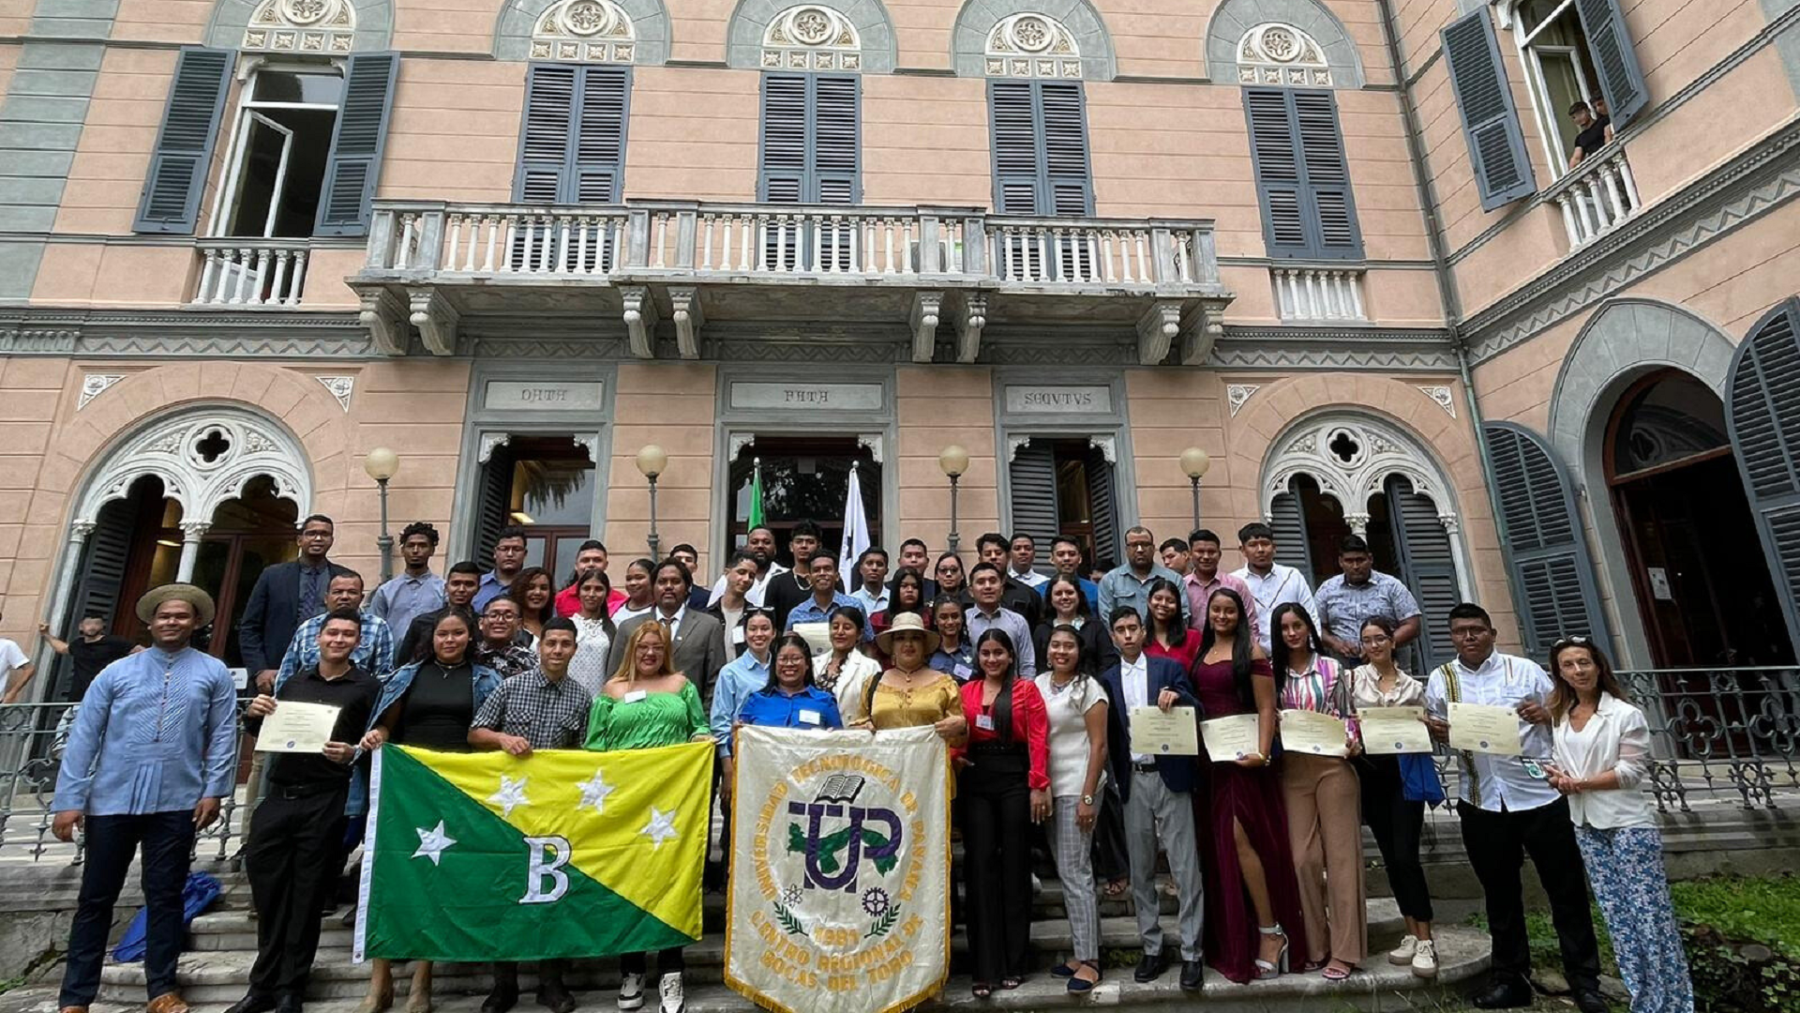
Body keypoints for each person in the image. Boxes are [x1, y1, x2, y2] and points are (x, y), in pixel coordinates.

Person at [51, 584, 238, 1013]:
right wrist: (69, 798)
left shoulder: (213, 672)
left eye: (181, 616)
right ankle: (76, 997)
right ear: (150, 622)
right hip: (111, 801)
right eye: (164, 616)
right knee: (95, 898)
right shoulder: (116, 673)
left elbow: (223, 735)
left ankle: (161, 989)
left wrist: (214, 789)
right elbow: (84, 736)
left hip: (177, 802)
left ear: (195, 623)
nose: (172, 622)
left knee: (166, 896)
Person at [1424, 604, 1604, 1013]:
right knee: (1500, 896)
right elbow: (1439, 728)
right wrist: (1439, 732)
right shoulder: (1441, 679)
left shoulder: (1524, 671)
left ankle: (1584, 980)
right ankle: (1511, 979)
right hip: (1481, 799)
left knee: (1567, 892)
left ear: (1492, 633)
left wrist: (1547, 714)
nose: (1468, 637)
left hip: (1539, 796)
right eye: (1460, 631)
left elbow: (1569, 714)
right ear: (1451, 637)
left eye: (1476, 629)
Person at [231, 608, 382, 1013]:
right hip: (279, 796)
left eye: (347, 634)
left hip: (326, 798)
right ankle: (261, 986)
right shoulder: (295, 681)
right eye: (333, 632)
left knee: (308, 897)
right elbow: (268, 732)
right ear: (318, 638)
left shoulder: (367, 687)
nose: (338, 639)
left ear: (358, 642)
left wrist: (353, 752)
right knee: (269, 895)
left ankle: (291, 988)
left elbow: (374, 742)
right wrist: (253, 715)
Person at [360, 607, 502, 1013]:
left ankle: (422, 980)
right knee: (391, 874)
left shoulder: (486, 678)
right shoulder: (407, 675)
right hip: (406, 788)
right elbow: (387, 725)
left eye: (458, 633)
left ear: (470, 637)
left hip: (456, 789)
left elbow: (489, 731)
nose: (450, 640)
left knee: (436, 879)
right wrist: (376, 734)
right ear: (431, 637)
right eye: (443, 634)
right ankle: (379, 981)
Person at [1549, 636, 1693, 1013]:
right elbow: (1564, 763)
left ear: (1599, 667)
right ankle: (1641, 999)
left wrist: (1580, 783)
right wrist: (1558, 777)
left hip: (1627, 823)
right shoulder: (1562, 717)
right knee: (1618, 918)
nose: (1578, 671)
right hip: (1586, 822)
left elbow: (1630, 772)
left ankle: (1673, 1003)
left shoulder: (1625, 714)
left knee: (1650, 917)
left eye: (1584, 662)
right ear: (1559, 673)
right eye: (1568, 665)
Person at [467, 618, 595, 1013]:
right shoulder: (511, 686)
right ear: (540, 647)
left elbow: (584, 754)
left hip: (554, 809)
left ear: (574, 650)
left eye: (565, 644)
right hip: (508, 808)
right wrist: (502, 738)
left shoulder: (581, 697)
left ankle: (550, 983)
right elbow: (475, 732)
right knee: (507, 891)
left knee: (552, 894)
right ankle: (503, 985)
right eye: (551, 643)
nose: (557, 650)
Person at [585, 621, 712, 1013]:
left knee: (672, 882)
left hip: (672, 801)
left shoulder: (682, 686)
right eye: (643, 647)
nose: (650, 653)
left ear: (665, 651)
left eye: (657, 647)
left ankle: (672, 973)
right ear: (632, 650)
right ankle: (632, 969)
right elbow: (594, 747)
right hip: (626, 803)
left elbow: (699, 727)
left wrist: (700, 738)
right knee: (630, 883)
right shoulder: (611, 691)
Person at [1191, 587, 1306, 984]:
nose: (1222, 616)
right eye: (1216, 610)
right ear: (1208, 614)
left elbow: (1267, 707)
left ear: (1240, 615)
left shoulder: (1251, 652)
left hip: (1245, 762)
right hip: (1212, 764)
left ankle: (1271, 931)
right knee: (1221, 847)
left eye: (1229, 610)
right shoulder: (1202, 652)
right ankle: (1236, 934)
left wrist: (1262, 753)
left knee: (1241, 840)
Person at [1098, 607, 1205, 991]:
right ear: (1112, 636)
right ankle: (1152, 946)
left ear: (1143, 632)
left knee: (1185, 866)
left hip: (1169, 775)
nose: (1128, 635)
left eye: (1133, 628)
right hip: (1132, 779)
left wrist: (1179, 696)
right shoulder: (1107, 679)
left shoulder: (1167, 668)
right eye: (1120, 630)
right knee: (1141, 869)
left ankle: (1192, 951)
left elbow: (1198, 709)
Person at [1269, 603, 1364, 980]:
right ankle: (1316, 945)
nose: (1292, 633)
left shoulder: (1332, 668)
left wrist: (1353, 741)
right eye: (1284, 628)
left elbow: (1349, 715)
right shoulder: (1271, 673)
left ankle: (1345, 951)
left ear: (1309, 628)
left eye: (1298, 625)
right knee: (1302, 860)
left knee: (1342, 860)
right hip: (1293, 770)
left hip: (1333, 765)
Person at [957, 629, 1051, 998]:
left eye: (999, 653)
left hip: (1015, 779)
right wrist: (955, 758)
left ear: (1011, 656)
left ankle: (1014, 962)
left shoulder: (1026, 690)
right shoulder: (967, 691)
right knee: (980, 867)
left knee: (1014, 866)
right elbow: (958, 735)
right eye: (986, 653)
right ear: (977, 657)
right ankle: (985, 968)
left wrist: (1038, 783)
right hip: (976, 780)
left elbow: (1039, 738)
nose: (992, 659)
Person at [1347, 617, 1438, 978]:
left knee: (1406, 856)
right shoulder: (1352, 680)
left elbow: (1426, 726)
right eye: (1367, 640)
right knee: (1389, 857)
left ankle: (1427, 939)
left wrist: (1427, 725)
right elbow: (1346, 720)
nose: (1374, 645)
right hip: (1370, 774)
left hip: (1405, 774)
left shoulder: (1413, 686)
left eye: (1380, 638)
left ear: (1392, 641)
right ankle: (1410, 932)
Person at [1034, 625, 1108, 993]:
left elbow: (1099, 745)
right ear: (1047, 650)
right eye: (1055, 645)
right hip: (1049, 788)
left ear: (1080, 652)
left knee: (1076, 872)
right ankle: (1082, 951)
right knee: (1067, 871)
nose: (1061, 651)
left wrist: (1088, 796)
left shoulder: (1089, 688)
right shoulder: (1038, 684)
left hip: (1078, 787)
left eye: (1069, 646)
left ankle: (1091, 961)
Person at [240, 514, 354, 695]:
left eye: (324, 534)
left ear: (332, 540)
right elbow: (249, 627)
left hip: (329, 675)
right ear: (299, 540)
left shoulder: (344, 579)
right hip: (275, 672)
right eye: (312, 533)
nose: (318, 538)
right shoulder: (272, 576)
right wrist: (260, 670)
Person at [607, 559, 727, 705]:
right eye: (662, 582)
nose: (668, 586)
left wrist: (705, 717)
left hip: (689, 715)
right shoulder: (629, 627)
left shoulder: (708, 626)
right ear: (653, 587)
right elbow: (615, 677)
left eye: (675, 581)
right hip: (637, 713)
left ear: (687, 587)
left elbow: (715, 681)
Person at [1314, 535, 1421, 666]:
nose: (1355, 566)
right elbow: (1315, 626)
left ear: (1370, 559)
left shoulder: (1392, 586)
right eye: (1349, 561)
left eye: (1360, 560)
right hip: (1345, 668)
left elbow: (1412, 625)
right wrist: (1335, 643)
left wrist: (1381, 645)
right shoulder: (1327, 590)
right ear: (1340, 562)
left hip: (1391, 666)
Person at [274, 573, 396, 688]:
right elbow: (287, 672)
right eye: (338, 592)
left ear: (361, 598)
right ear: (326, 598)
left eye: (352, 592)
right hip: (308, 697)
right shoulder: (308, 627)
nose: (344, 597)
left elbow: (383, 676)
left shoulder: (377, 627)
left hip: (356, 697)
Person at [860, 612, 966, 742]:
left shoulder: (945, 684)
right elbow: (858, 727)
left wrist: (961, 728)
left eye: (915, 638)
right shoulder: (872, 684)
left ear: (924, 645)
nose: (908, 644)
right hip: (884, 755)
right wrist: (863, 729)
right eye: (900, 638)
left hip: (931, 755)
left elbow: (959, 740)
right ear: (892, 646)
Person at [709, 610, 778, 796]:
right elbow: (720, 722)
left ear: (774, 633)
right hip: (741, 755)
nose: (758, 634)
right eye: (753, 629)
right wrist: (727, 768)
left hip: (776, 755)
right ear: (745, 633)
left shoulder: (782, 668)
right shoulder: (730, 672)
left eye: (765, 628)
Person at [1231, 522, 1317, 653]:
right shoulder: (1234, 581)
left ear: (1274, 547)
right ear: (1243, 550)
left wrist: (1311, 650)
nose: (1260, 550)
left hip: (1293, 655)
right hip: (1251, 657)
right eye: (1253, 545)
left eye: (1265, 544)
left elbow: (1311, 616)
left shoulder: (1292, 576)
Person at [735, 633, 844, 731]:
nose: (789, 664)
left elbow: (840, 742)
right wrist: (735, 732)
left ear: (807, 664)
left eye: (796, 658)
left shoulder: (825, 701)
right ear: (774, 664)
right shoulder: (756, 701)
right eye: (783, 659)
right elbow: (738, 742)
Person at [1099, 527, 1189, 628]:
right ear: (1126, 550)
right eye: (1134, 545)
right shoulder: (1110, 580)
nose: (1140, 550)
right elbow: (1107, 619)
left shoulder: (1174, 579)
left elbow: (1183, 616)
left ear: (1153, 548)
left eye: (1145, 544)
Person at [396, 562, 483, 666]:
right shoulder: (422, 622)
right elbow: (404, 665)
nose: (461, 589)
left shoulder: (483, 626)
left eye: (469, 584)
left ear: (478, 589)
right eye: (456, 583)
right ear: (446, 587)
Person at [369, 522, 447, 638]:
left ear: (432, 551)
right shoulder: (386, 591)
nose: (415, 550)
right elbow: (374, 629)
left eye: (422, 546)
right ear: (402, 550)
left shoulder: (443, 589)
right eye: (410, 546)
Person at [38, 615, 135, 703]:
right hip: (78, 697)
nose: (92, 627)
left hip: (104, 695)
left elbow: (140, 653)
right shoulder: (78, 644)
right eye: (88, 623)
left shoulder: (114, 642)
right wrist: (46, 634)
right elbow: (62, 648)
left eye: (97, 623)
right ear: (81, 626)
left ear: (102, 626)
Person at [966, 563, 1036, 678]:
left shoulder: (1018, 622)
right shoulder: (963, 621)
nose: (988, 586)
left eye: (993, 581)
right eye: (981, 582)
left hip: (1012, 688)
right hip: (972, 687)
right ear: (971, 591)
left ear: (1002, 588)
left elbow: (1027, 665)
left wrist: (1026, 688)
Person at [1183, 529, 1257, 639]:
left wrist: (1249, 647)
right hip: (1192, 648)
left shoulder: (1236, 585)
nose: (1206, 557)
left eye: (1211, 552)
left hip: (1230, 647)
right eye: (1200, 551)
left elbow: (1250, 624)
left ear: (1219, 554)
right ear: (1190, 554)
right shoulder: (1183, 586)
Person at [1032, 574, 1110, 676]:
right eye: (1058, 593)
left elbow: (1108, 663)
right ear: (1050, 598)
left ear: (1079, 595)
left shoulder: (1095, 627)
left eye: (1069, 592)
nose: (1064, 597)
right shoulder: (1042, 630)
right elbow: (1037, 666)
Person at [812, 607, 880, 717]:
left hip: (851, 727)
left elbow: (875, 707)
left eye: (847, 628)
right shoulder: (813, 663)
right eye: (835, 627)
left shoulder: (870, 667)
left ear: (859, 634)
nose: (840, 632)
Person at [783, 553, 866, 641]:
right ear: (809, 579)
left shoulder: (855, 606)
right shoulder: (796, 614)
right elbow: (787, 645)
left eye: (827, 569)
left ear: (837, 576)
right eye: (816, 570)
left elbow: (867, 643)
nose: (822, 573)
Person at [763, 521, 827, 629]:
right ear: (791, 546)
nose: (804, 546)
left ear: (819, 546)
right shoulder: (777, 582)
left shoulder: (830, 581)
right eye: (799, 541)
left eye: (810, 542)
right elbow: (768, 622)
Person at [706, 526, 788, 609]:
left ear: (775, 549)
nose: (760, 546)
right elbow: (712, 612)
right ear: (746, 547)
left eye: (766, 542)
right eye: (754, 542)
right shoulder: (728, 578)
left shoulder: (787, 576)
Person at [973, 533, 1044, 626]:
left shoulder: (1028, 595)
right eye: (988, 554)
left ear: (1008, 557)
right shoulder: (967, 595)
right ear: (980, 559)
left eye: (998, 553)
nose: (993, 557)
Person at [567, 568, 617, 695]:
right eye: (586, 588)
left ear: (607, 593)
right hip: (567, 697)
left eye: (598, 589)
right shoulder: (567, 625)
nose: (591, 594)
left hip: (599, 697)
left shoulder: (613, 629)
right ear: (578, 592)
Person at [706, 551, 759, 662]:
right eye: (741, 572)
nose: (746, 579)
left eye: (751, 576)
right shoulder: (708, 615)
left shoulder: (755, 615)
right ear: (726, 573)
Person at [473, 597, 541, 681]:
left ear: (519, 624)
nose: (500, 620)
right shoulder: (469, 654)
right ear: (481, 623)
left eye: (508, 616)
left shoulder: (530, 661)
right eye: (493, 615)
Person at [555, 540, 627, 618]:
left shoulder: (620, 601)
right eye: (585, 560)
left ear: (606, 565)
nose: (591, 564)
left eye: (597, 560)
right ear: (576, 565)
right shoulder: (560, 599)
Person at [1143, 578, 1201, 671]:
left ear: (1178, 606)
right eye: (1158, 598)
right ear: (1149, 601)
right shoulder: (1141, 640)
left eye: (1170, 601)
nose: (1163, 604)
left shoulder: (1193, 638)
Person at [472, 527, 528, 613]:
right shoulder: (477, 585)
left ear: (525, 554)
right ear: (495, 553)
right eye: (504, 549)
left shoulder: (530, 588)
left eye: (516, 549)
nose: (510, 554)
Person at [870, 568, 928, 647]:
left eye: (915, 587)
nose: (910, 590)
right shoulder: (878, 619)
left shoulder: (928, 617)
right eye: (904, 586)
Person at [1044, 536, 1100, 613]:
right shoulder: (1039, 591)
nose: (1067, 558)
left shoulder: (1095, 590)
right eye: (1061, 554)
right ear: (1052, 559)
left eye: (1072, 554)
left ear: (1080, 558)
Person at [927, 597, 973, 681]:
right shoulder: (927, 655)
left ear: (962, 619)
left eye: (955, 616)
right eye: (944, 617)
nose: (950, 622)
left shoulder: (973, 654)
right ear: (935, 621)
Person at [509, 566, 557, 644]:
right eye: (531, 587)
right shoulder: (509, 626)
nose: (537, 592)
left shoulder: (554, 628)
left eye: (543, 588)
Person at [1567, 100, 1614, 169]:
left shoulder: (1603, 122)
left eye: (1580, 113)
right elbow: (1576, 159)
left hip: (1611, 160)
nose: (1578, 118)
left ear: (1588, 111)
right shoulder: (1580, 138)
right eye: (1574, 117)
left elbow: (1609, 138)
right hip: (1598, 168)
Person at [668, 545, 711, 612]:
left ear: (695, 567)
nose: (683, 562)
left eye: (688, 560)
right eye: (678, 559)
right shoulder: (658, 593)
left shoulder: (707, 597)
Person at [850, 547, 891, 616]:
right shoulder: (851, 601)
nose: (874, 568)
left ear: (886, 570)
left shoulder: (893, 599)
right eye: (869, 563)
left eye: (879, 564)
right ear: (860, 569)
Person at [615, 559, 657, 624]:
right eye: (629, 579)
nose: (632, 583)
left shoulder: (661, 612)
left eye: (639, 578)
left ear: (654, 579)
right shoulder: (614, 608)